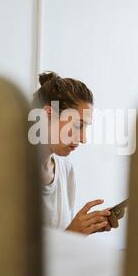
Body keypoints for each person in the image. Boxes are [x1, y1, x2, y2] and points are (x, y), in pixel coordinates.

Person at [31, 71, 111, 235]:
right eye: (77, 125)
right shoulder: (9, 173)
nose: (83, 139)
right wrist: (72, 234)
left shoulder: (66, 171)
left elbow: (60, 245)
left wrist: (84, 230)